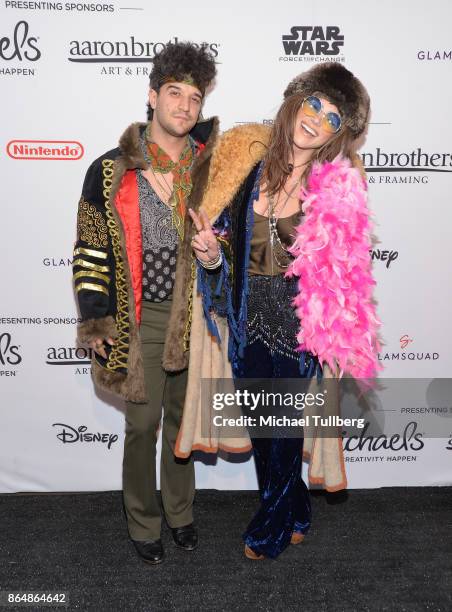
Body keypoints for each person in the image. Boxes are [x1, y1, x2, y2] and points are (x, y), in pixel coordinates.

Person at [188, 63, 380, 560]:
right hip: (248, 316)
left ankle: (268, 530)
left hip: (299, 325)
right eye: (315, 103)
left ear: (338, 135)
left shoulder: (334, 186)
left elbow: (342, 268)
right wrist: (211, 254)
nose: (317, 119)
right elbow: (227, 250)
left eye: (333, 118)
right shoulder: (249, 168)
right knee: (261, 427)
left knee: (285, 430)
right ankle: (297, 510)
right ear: (296, 101)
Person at [72, 42, 218, 565]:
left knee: (184, 425)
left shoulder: (213, 169)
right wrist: (96, 316)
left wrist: (214, 254)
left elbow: (229, 242)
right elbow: (89, 248)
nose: (184, 105)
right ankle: (142, 519)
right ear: (153, 96)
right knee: (141, 425)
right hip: (141, 319)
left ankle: (180, 512)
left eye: (194, 97)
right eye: (174, 92)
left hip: (199, 319)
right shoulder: (110, 169)